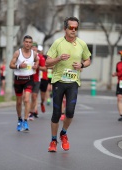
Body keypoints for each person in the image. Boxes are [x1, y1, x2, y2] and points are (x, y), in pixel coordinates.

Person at [46, 16, 91, 152]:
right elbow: (47, 62)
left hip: (73, 82)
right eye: (71, 27)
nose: (73, 30)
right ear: (65, 28)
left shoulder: (82, 44)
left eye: (76, 28)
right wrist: (59, 58)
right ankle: (53, 141)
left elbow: (88, 60)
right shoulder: (57, 43)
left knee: (70, 112)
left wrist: (82, 64)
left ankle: (63, 133)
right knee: (56, 113)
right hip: (59, 80)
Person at [9, 35, 38, 131]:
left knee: (26, 99)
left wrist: (36, 66)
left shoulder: (33, 54)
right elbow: (11, 65)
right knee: (18, 102)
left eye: (30, 42)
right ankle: (19, 119)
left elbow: (37, 61)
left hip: (29, 79)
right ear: (23, 42)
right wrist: (19, 66)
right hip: (18, 79)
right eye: (26, 42)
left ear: (31, 44)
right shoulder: (18, 53)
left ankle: (25, 120)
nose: (28, 44)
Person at [28, 43, 46, 120]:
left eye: (35, 47)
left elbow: (45, 68)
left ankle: (31, 113)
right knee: (26, 98)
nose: (34, 48)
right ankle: (29, 111)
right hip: (27, 79)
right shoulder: (26, 56)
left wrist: (37, 67)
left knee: (34, 97)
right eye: (32, 47)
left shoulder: (40, 57)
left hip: (36, 80)